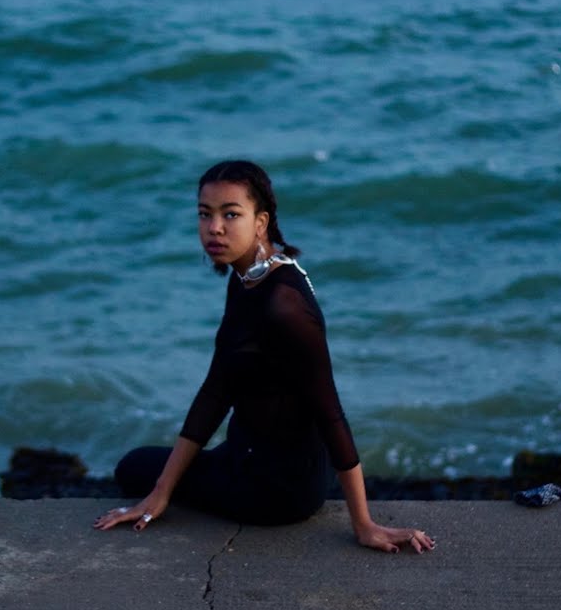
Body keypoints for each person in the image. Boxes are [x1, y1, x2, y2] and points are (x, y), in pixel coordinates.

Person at [92, 160, 435, 555]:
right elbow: (217, 390)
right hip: (249, 453)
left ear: (261, 222)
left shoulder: (283, 304)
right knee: (147, 470)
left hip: (278, 488)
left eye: (230, 214)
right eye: (204, 214)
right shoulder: (249, 276)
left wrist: (364, 525)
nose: (214, 228)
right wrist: (161, 492)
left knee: (132, 467)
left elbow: (329, 411)